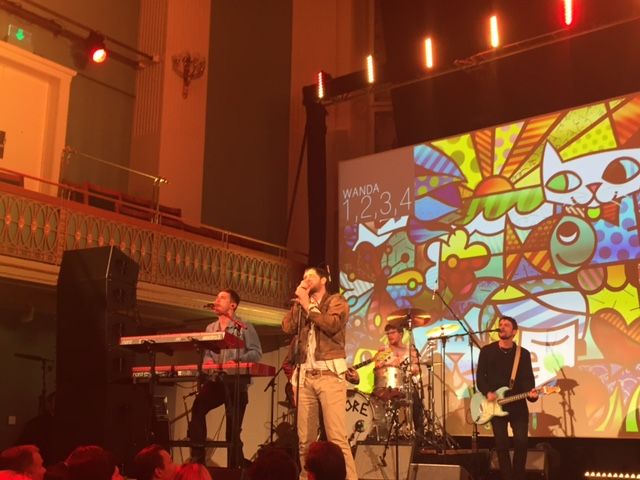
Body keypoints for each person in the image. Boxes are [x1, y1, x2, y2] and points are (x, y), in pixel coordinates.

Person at [281, 266, 357, 480]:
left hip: (329, 375)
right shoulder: (302, 305)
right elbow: (287, 327)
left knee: (336, 438)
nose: (305, 279)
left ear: (323, 280)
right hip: (305, 376)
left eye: (310, 276)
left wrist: (309, 306)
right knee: (305, 440)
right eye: (303, 276)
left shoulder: (336, 301)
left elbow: (332, 325)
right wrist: (299, 304)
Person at [188, 288, 263, 467]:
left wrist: (237, 361)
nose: (216, 300)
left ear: (233, 305)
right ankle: (198, 459)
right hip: (216, 381)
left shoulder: (244, 326)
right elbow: (207, 353)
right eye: (216, 297)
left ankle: (235, 468)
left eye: (222, 298)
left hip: (236, 383)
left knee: (232, 430)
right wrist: (207, 363)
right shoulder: (210, 328)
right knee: (198, 408)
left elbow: (256, 352)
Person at [476, 316, 538, 480]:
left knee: (521, 443)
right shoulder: (487, 351)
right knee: (501, 445)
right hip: (496, 405)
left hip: (518, 405)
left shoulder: (522, 354)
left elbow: (527, 380)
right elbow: (480, 378)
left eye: (506, 325)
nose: (502, 327)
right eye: (500, 324)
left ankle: (518, 476)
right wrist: (488, 392)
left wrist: (532, 395)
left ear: (514, 332)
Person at [372, 323, 424, 443]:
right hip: (388, 387)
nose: (390, 336)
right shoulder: (384, 350)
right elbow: (377, 367)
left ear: (401, 334)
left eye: (393, 332)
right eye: (388, 333)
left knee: (416, 401)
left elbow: (417, 369)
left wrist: (406, 365)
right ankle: (386, 435)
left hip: (406, 385)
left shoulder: (410, 350)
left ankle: (419, 438)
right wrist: (384, 363)